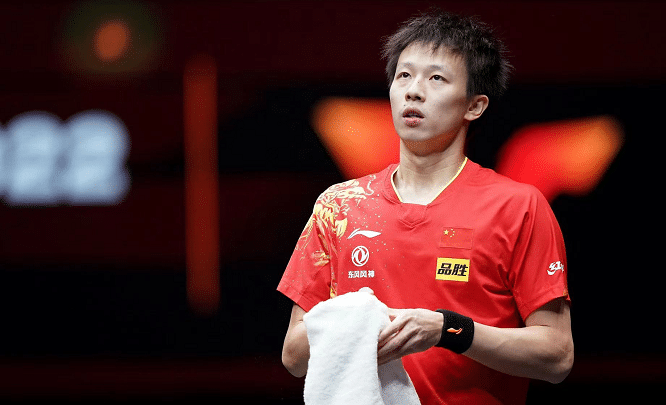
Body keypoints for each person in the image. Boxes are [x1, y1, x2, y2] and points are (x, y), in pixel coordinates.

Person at [278, 10, 573, 404]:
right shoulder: (339, 206)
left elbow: (557, 356)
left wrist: (447, 329)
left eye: (436, 78)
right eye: (404, 75)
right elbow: (294, 357)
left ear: (474, 106)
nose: (413, 91)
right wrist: (355, 325)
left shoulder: (518, 207)